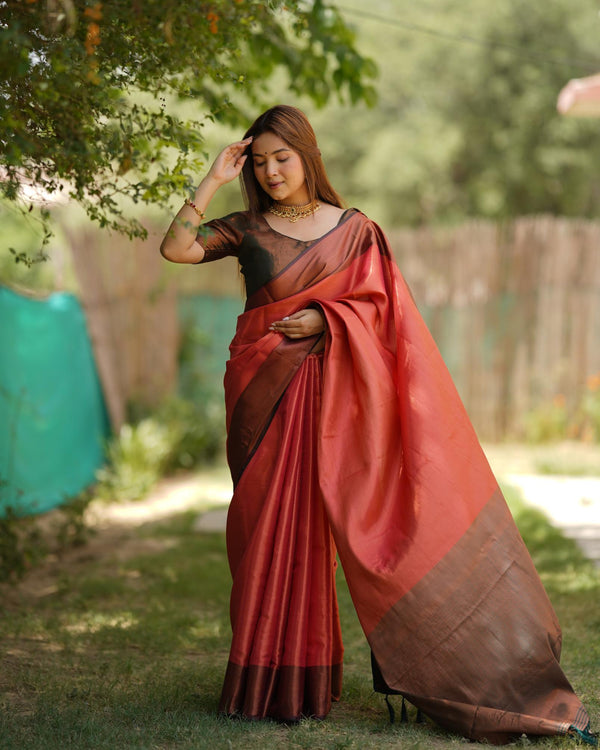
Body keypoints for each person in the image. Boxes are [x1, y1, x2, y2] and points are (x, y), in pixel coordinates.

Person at [160, 105, 597, 746]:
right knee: (264, 536)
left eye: (282, 157)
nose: (271, 171)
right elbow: (177, 248)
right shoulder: (247, 226)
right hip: (265, 398)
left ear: (309, 156)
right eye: (258, 161)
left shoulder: (357, 231)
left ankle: (324, 681)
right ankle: (263, 679)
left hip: (337, 400)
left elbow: (386, 314)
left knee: (324, 531)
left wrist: (326, 321)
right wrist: (212, 179)